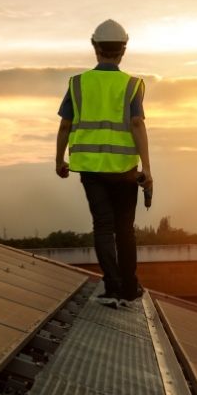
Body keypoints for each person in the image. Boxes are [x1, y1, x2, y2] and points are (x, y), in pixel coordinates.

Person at [55, 19, 153, 308]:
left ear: (94, 47)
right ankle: (129, 287)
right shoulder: (132, 85)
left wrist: (59, 159)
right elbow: (136, 123)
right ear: (123, 50)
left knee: (103, 226)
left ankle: (111, 286)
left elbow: (65, 126)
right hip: (125, 169)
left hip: (91, 169)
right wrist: (147, 169)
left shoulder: (78, 83)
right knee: (125, 228)